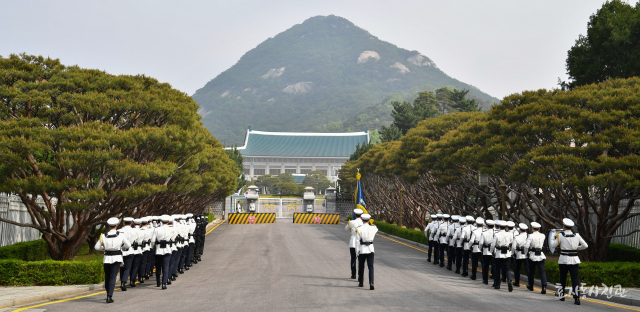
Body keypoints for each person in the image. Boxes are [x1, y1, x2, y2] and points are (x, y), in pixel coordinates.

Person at [549, 218, 588, 305]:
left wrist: (554, 237)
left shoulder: (560, 235)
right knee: (575, 279)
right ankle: (577, 298)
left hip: (563, 260)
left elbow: (552, 245)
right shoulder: (577, 235)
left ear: (564, 226)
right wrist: (577, 248)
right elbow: (585, 245)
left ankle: (562, 296)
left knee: (563, 278)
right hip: (574, 259)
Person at [95, 217, 131, 303]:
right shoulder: (121, 235)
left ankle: (108, 292)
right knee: (112, 277)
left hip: (107, 258)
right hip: (117, 257)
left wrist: (104, 249)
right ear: (117, 225)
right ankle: (109, 296)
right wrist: (121, 248)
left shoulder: (104, 235)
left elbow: (96, 247)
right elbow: (128, 245)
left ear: (108, 225)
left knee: (107, 276)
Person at [355, 214, 378, 290]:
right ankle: (371, 283)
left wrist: (357, 251)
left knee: (361, 267)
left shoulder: (359, 229)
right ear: (369, 220)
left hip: (362, 249)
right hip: (370, 249)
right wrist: (372, 224)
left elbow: (357, 241)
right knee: (371, 267)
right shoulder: (373, 228)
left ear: (362, 220)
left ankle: (361, 282)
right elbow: (376, 228)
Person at [490, 220, 514, 292]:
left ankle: (497, 284)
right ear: (506, 227)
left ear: (499, 227)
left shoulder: (497, 234)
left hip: (498, 253)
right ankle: (509, 280)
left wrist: (492, 252)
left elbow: (493, 245)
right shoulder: (509, 234)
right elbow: (512, 243)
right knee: (507, 269)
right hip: (507, 253)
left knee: (498, 269)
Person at [525, 222, 547, 294]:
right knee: (542, 272)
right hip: (540, 255)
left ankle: (531, 286)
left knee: (531, 271)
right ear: (539, 229)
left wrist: (526, 253)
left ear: (532, 229)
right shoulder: (543, 235)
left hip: (532, 255)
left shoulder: (530, 236)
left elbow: (526, 246)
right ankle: (544, 286)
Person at [153, 215, 173, 289]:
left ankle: (158, 282)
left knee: (158, 267)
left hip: (158, 249)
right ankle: (164, 283)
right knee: (166, 266)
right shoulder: (171, 229)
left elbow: (152, 240)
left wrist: (153, 246)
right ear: (168, 222)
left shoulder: (157, 229)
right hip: (167, 249)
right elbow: (172, 238)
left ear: (161, 221)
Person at [118, 217, 137, 291]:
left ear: (124, 222)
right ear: (131, 223)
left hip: (121, 251)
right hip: (130, 250)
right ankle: (123, 282)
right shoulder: (134, 231)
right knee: (127, 267)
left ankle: (122, 282)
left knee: (122, 267)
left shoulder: (119, 231)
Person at [345, 209, 364, 279]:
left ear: (355, 215)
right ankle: (360, 275)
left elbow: (346, 229)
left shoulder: (352, 222)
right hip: (361, 242)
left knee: (353, 258)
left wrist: (350, 223)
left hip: (353, 242)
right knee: (360, 259)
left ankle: (353, 274)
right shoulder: (363, 222)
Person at [129, 218, 144, 288]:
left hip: (130, 249)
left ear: (133, 224)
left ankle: (130, 279)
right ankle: (132, 280)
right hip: (138, 249)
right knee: (135, 266)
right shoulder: (142, 231)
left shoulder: (130, 231)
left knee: (130, 265)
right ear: (140, 224)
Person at [478, 220, 495, 285]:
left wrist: (480, 249)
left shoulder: (484, 233)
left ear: (487, 226)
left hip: (486, 251)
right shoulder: (496, 233)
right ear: (493, 226)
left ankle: (485, 280)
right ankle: (495, 282)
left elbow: (481, 243)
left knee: (485, 266)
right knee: (494, 266)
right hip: (494, 252)